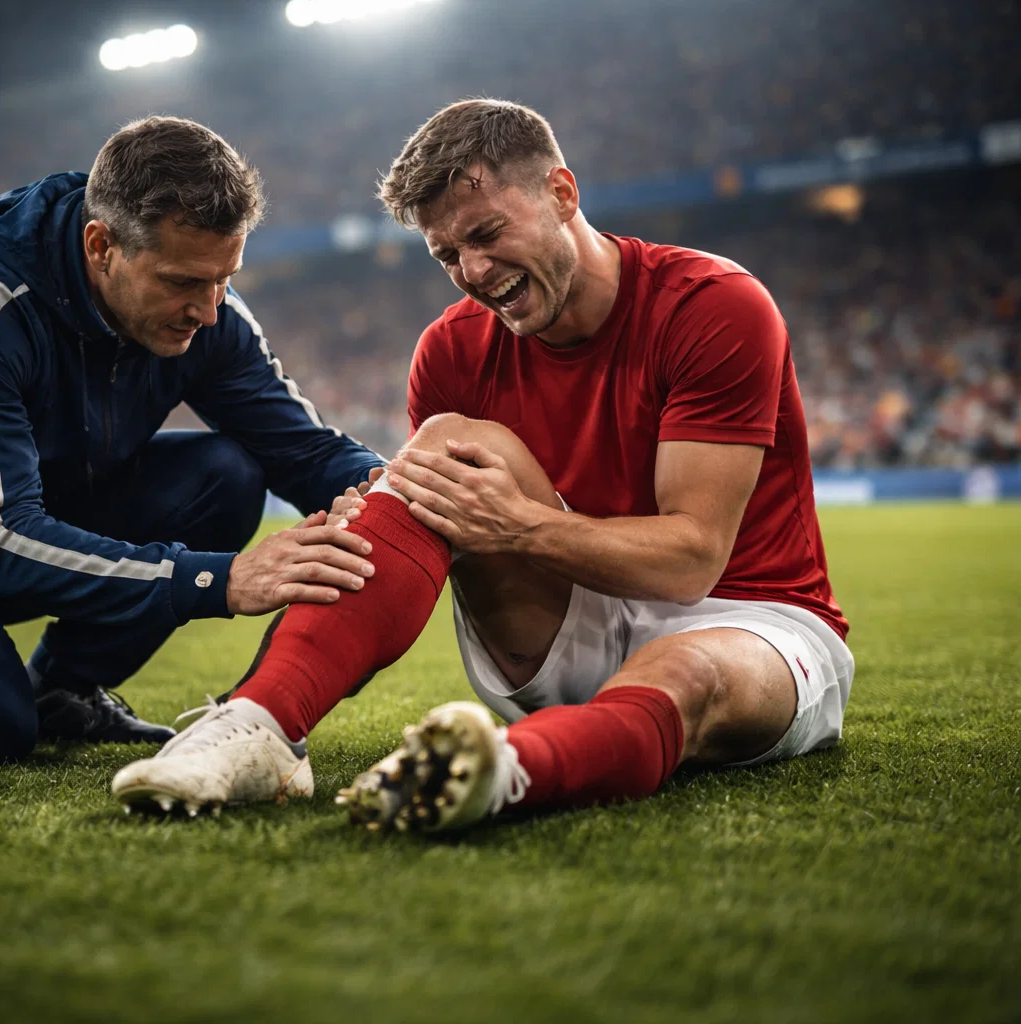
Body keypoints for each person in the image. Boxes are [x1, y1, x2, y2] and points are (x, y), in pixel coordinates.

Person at [111, 99, 854, 832]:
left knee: (684, 673)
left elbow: (692, 562)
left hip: (753, 624)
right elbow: (425, 525)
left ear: (562, 194)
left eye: (488, 233)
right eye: (446, 254)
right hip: (565, 616)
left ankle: (501, 771)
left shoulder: (713, 304)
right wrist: (376, 517)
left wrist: (520, 526)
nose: (472, 270)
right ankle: (260, 725)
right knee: (444, 446)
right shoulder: (452, 349)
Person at [0, 117, 383, 765]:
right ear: (101, 245)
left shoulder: (210, 317)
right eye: (183, 282)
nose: (211, 309)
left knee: (226, 474)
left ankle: (63, 689)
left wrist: (410, 494)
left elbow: (305, 454)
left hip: (9, 512)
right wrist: (214, 580)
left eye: (225, 277)